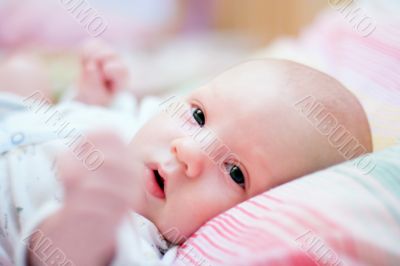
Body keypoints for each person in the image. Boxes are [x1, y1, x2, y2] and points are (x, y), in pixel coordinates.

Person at [0, 47, 372, 266]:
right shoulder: (136, 125)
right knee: (24, 71)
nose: (189, 149)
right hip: (22, 119)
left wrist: (85, 216)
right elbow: (97, 117)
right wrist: (90, 97)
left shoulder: (131, 240)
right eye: (198, 116)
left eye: (235, 173)